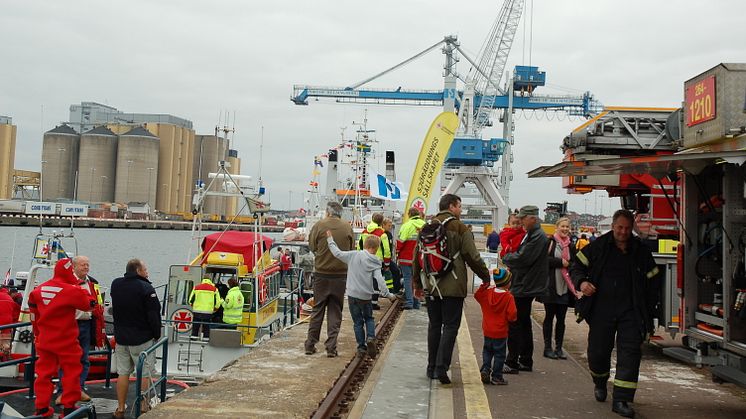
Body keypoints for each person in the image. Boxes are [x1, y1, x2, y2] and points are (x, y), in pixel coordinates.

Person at [570, 210, 659, 418]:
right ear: (613, 226)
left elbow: (654, 279)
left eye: (627, 228)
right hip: (602, 309)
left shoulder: (640, 251)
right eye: (620, 227)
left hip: (631, 311)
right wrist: (582, 283)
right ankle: (600, 381)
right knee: (598, 352)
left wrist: (650, 307)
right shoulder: (598, 246)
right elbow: (576, 266)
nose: (623, 232)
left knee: (630, 354)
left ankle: (622, 399)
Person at [413, 194, 491, 384]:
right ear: (451, 206)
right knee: (450, 326)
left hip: (431, 285)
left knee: (434, 325)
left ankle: (431, 367)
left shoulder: (426, 227)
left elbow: (417, 256)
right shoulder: (460, 227)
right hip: (453, 286)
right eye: (459, 206)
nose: (461, 210)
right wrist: (485, 276)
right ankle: (442, 366)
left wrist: (417, 283)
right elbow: (472, 256)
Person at [27, 258, 92, 418]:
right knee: (71, 373)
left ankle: (41, 408)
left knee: (43, 375)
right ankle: (68, 408)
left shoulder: (38, 291)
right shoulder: (72, 290)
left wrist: (37, 335)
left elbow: (34, 317)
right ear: (69, 272)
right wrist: (79, 286)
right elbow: (89, 305)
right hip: (66, 342)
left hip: (45, 341)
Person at [326, 231, 397, 357]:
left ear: (365, 245)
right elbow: (380, 280)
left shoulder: (353, 255)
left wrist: (330, 239)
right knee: (369, 318)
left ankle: (361, 348)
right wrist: (388, 295)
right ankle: (370, 337)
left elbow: (337, 253)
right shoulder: (376, 261)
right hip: (366, 296)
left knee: (357, 322)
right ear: (375, 248)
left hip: (352, 295)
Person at [111, 259, 162, 419]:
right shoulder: (146, 288)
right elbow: (154, 315)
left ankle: (120, 408)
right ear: (138, 270)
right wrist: (156, 334)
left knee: (123, 373)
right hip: (142, 338)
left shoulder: (116, 284)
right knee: (145, 373)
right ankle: (143, 406)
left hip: (121, 338)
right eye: (145, 269)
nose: (147, 272)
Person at [502, 205, 549, 374]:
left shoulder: (537, 237)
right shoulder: (533, 235)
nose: (520, 222)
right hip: (526, 283)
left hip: (525, 284)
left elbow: (522, 258)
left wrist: (506, 257)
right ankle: (525, 359)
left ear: (532, 218)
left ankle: (512, 360)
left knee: (515, 322)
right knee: (523, 322)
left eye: (523, 219)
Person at [305, 201, 354, 357]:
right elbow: (351, 250)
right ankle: (331, 347)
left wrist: (322, 256)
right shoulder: (347, 227)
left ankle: (310, 344)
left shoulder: (319, 225)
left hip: (321, 273)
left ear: (328, 212)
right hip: (340, 275)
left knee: (317, 309)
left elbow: (312, 246)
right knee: (335, 310)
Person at [55, 255, 105, 405]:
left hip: (87, 323)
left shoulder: (92, 283)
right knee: (67, 359)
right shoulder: (66, 283)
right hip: (70, 324)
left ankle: (79, 388)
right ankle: (62, 391)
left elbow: (97, 304)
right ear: (74, 267)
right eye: (83, 265)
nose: (86, 267)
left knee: (84, 358)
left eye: (88, 264)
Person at [540, 217, 581, 360]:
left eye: (567, 227)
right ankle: (547, 348)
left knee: (561, 319)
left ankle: (559, 348)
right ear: (557, 227)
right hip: (551, 286)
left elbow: (575, 263)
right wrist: (560, 262)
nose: (565, 229)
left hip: (565, 287)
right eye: (562, 226)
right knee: (549, 317)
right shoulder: (550, 242)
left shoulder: (571, 246)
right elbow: (543, 261)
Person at [474, 268, 517, 386]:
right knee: (499, 355)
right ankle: (497, 377)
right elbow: (512, 315)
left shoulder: (488, 293)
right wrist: (511, 319)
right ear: (507, 283)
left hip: (487, 330)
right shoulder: (509, 297)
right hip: (501, 332)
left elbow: (477, 295)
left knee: (487, 351)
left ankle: (485, 369)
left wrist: (484, 285)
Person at [358, 213, 391, 310]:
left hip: (364, 259)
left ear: (372, 219)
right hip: (377, 260)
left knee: (365, 281)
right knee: (376, 281)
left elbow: (359, 245)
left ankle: (364, 302)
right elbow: (386, 249)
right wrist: (387, 263)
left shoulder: (364, 231)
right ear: (381, 222)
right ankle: (373, 303)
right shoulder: (382, 234)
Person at [396, 207, 426, 309]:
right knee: (417, 280)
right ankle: (417, 303)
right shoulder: (424, 225)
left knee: (408, 279)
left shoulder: (406, 226)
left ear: (409, 215)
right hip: (420, 259)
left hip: (406, 258)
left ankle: (409, 302)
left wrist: (397, 253)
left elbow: (400, 242)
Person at [0, 285, 21, 360]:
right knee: (6, 343)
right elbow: (16, 311)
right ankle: (6, 358)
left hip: (2, 322)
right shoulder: (9, 298)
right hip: (8, 323)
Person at [381, 218, 401, 294]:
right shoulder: (383, 234)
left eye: (391, 226)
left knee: (395, 271)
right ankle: (392, 290)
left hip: (388, 258)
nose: (390, 227)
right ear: (383, 225)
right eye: (388, 226)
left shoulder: (389, 234)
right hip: (383, 258)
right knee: (395, 271)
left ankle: (395, 290)